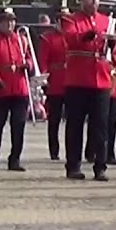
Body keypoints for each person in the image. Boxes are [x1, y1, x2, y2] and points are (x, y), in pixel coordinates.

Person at [60, 0, 115, 181]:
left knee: (100, 126)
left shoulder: (105, 20)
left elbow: (110, 49)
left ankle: (100, 166)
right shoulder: (71, 19)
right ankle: (73, 165)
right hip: (78, 79)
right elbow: (71, 38)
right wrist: (87, 36)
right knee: (75, 125)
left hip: (100, 79)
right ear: (82, 0)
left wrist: (112, 42)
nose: (93, 1)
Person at [0, 7, 34, 172]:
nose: (9, 24)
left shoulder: (22, 40)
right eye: (6, 21)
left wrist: (29, 66)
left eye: (11, 21)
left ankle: (15, 159)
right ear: (0, 23)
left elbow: (29, 58)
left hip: (19, 87)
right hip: (1, 88)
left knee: (18, 125)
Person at [40, 9, 70, 161]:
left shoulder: (72, 36)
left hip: (71, 79)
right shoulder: (48, 38)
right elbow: (44, 60)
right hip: (56, 81)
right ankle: (54, 150)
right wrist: (45, 78)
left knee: (72, 119)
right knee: (54, 119)